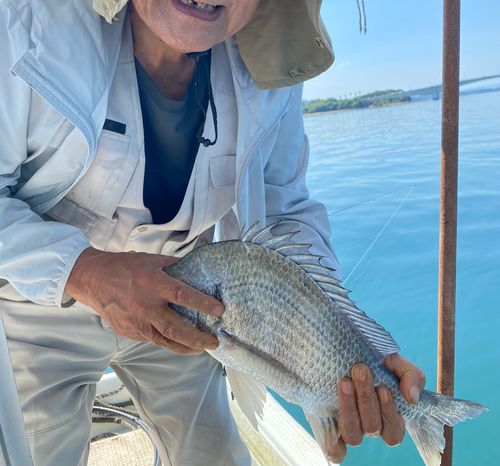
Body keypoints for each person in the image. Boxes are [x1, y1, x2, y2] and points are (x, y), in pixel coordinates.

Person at [0, 0, 426, 465]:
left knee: (217, 455)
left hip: (191, 301)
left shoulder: (273, 70)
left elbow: (285, 209)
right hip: (39, 300)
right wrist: (87, 273)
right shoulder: (22, 22)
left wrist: (355, 350)